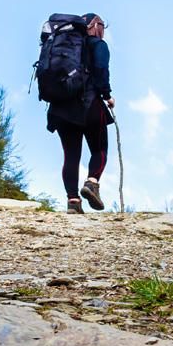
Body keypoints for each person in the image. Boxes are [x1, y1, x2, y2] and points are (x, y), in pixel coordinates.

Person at [47, 13, 115, 214]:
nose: (103, 30)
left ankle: (73, 201)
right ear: (94, 25)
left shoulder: (62, 46)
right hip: (89, 104)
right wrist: (107, 95)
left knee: (71, 156)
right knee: (99, 149)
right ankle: (92, 183)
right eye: (102, 25)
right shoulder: (98, 44)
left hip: (61, 108)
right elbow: (101, 69)